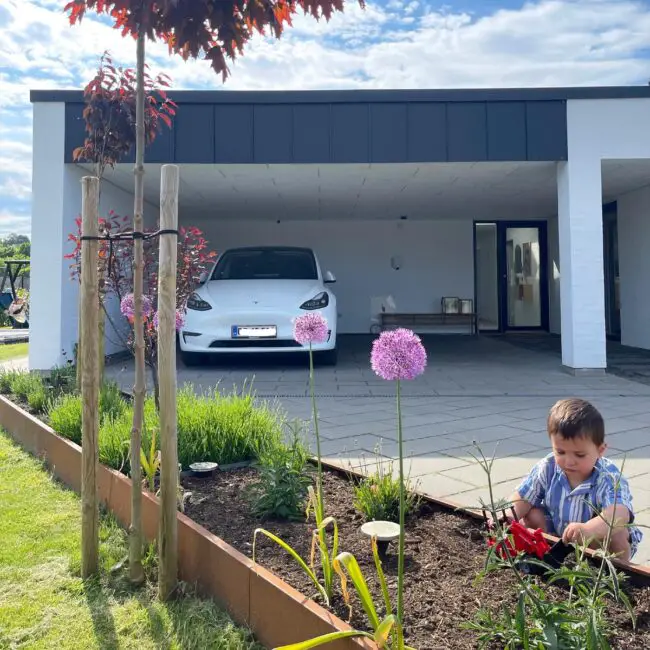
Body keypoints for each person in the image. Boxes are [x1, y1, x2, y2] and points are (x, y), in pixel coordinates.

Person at [503, 397, 642, 562]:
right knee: (530, 514)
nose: (569, 461)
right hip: (558, 533)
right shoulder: (548, 466)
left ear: (600, 450)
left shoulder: (608, 477)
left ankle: (616, 577)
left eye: (580, 455)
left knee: (617, 532)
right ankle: (547, 556)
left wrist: (588, 530)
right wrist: (508, 515)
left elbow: (619, 515)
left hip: (595, 542)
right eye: (560, 452)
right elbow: (524, 496)